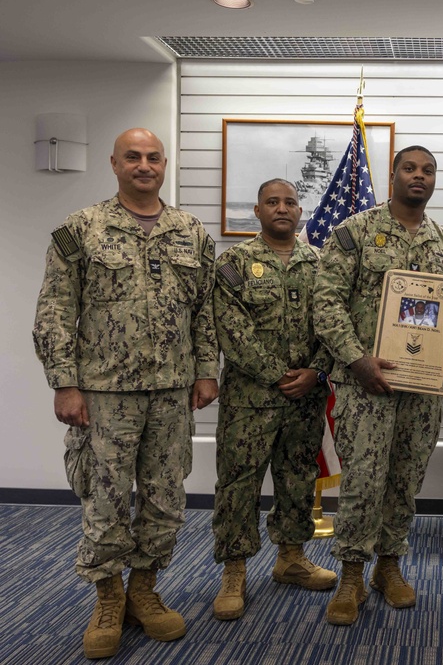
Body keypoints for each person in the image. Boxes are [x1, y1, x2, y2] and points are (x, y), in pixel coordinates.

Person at [33, 128, 218, 659]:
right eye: (132, 157)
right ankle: (108, 596)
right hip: (105, 391)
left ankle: (144, 591)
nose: (144, 165)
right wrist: (65, 382)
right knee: (106, 496)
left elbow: (204, 311)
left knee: (165, 496)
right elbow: (54, 310)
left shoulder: (191, 232)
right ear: (114, 163)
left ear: (165, 165)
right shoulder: (81, 229)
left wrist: (207, 371)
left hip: (172, 391)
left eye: (153, 157)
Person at [313, 145, 443, 626]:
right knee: (364, 478)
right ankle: (350, 575)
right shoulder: (354, 233)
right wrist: (356, 359)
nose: (419, 176)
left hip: (420, 387)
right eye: (410, 168)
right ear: (393, 175)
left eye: (428, 170)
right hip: (366, 383)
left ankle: (389, 566)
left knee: (405, 478)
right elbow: (326, 305)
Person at [210, 179, 338, 622]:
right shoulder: (234, 263)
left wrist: (316, 372)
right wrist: (278, 374)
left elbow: (333, 323)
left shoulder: (321, 263)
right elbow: (231, 329)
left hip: (306, 398)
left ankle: (291, 558)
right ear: (257, 210)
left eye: (290, 202)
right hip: (251, 401)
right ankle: (234, 570)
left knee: (298, 477)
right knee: (238, 484)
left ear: (301, 210)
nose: (282, 208)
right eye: (272, 202)